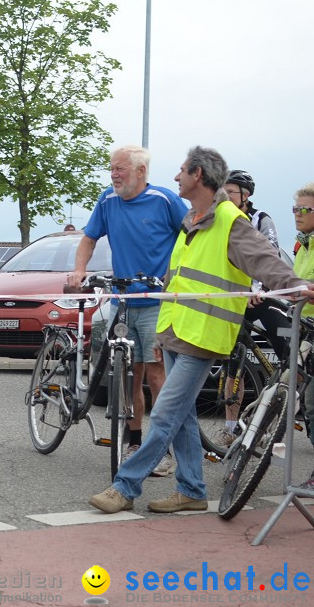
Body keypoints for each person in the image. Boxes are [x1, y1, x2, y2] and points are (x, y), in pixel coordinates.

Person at [89, 146, 314, 514]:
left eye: (181, 170)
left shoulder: (229, 220)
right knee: (182, 416)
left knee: (164, 413)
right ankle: (192, 490)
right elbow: (176, 277)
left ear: (198, 175)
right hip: (177, 329)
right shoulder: (191, 219)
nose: (176, 177)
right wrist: (164, 333)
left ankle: (125, 486)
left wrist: (294, 285)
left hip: (204, 335)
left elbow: (263, 260)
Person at [68, 145, 187, 476]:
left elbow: (191, 238)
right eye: (112, 169)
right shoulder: (108, 199)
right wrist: (79, 270)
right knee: (127, 376)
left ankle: (163, 449)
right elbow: (89, 239)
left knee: (155, 374)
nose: (114, 174)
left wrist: (176, 276)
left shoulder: (164, 200)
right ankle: (134, 442)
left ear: (141, 172)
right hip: (122, 302)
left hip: (156, 303)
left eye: (120, 169)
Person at [215, 170, 291, 447]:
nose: (226, 197)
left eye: (231, 192)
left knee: (287, 349)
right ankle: (231, 427)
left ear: (245, 196)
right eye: (222, 192)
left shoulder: (260, 219)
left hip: (260, 294)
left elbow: (268, 255)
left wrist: (257, 289)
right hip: (233, 298)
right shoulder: (220, 219)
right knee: (232, 364)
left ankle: (290, 392)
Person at [291, 183, 314, 488]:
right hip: (305, 328)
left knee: (311, 401)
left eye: (304, 209)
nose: (298, 214)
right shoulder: (300, 245)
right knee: (308, 405)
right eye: (295, 208)